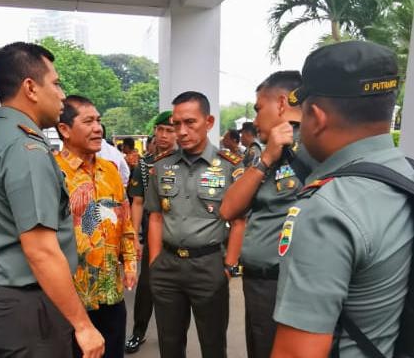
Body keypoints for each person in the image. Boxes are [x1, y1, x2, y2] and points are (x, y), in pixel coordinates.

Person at [270, 41, 414, 357]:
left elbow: (297, 353)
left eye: (302, 116)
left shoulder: (325, 210)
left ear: (317, 118)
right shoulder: (407, 176)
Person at [0, 42, 104, 358]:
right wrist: (83, 326)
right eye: (55, 83)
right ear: (30, 87)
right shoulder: (26, 149)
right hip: (34, 305)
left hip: (11, 295)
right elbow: (41, 250)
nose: (61, 94)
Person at [220, 71, 316, 358]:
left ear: (282, 103)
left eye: (259, 108)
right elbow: (229, 209)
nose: (256, 119)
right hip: (259, 284)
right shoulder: (264, 154)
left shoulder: (312, 148)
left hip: (286, 284)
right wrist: (267, 158)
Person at [146, 91, 246, 358]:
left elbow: (239, 221)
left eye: (190, 122)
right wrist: (154, 264)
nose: (182, 131)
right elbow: (155, 217)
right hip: (167, 267)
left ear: (209, 122)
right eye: (177, 124)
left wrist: (228, 267)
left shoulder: (229, 168)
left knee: (213, 344)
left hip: (209, 265)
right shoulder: (162, 166)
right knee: (169, 343)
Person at [55, 95, 137, 358]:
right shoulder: (52, 172)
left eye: (99, 121)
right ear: (64, 130)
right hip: (71, 296)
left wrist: (131, 261)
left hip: (110, 291)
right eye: (88, 121)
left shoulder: (110, 170)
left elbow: (124, 218)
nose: (98, 128)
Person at [125, 111, 177, 354]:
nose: (165, 135)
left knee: (176, 292)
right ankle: (138, 332)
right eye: (161, 130)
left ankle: (173, 338)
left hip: (180, 235)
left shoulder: (184, 161)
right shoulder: (145, 165)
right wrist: (134, 236)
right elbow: (136, 202)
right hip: (155, 236)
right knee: (146, 287)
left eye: (170, 130)